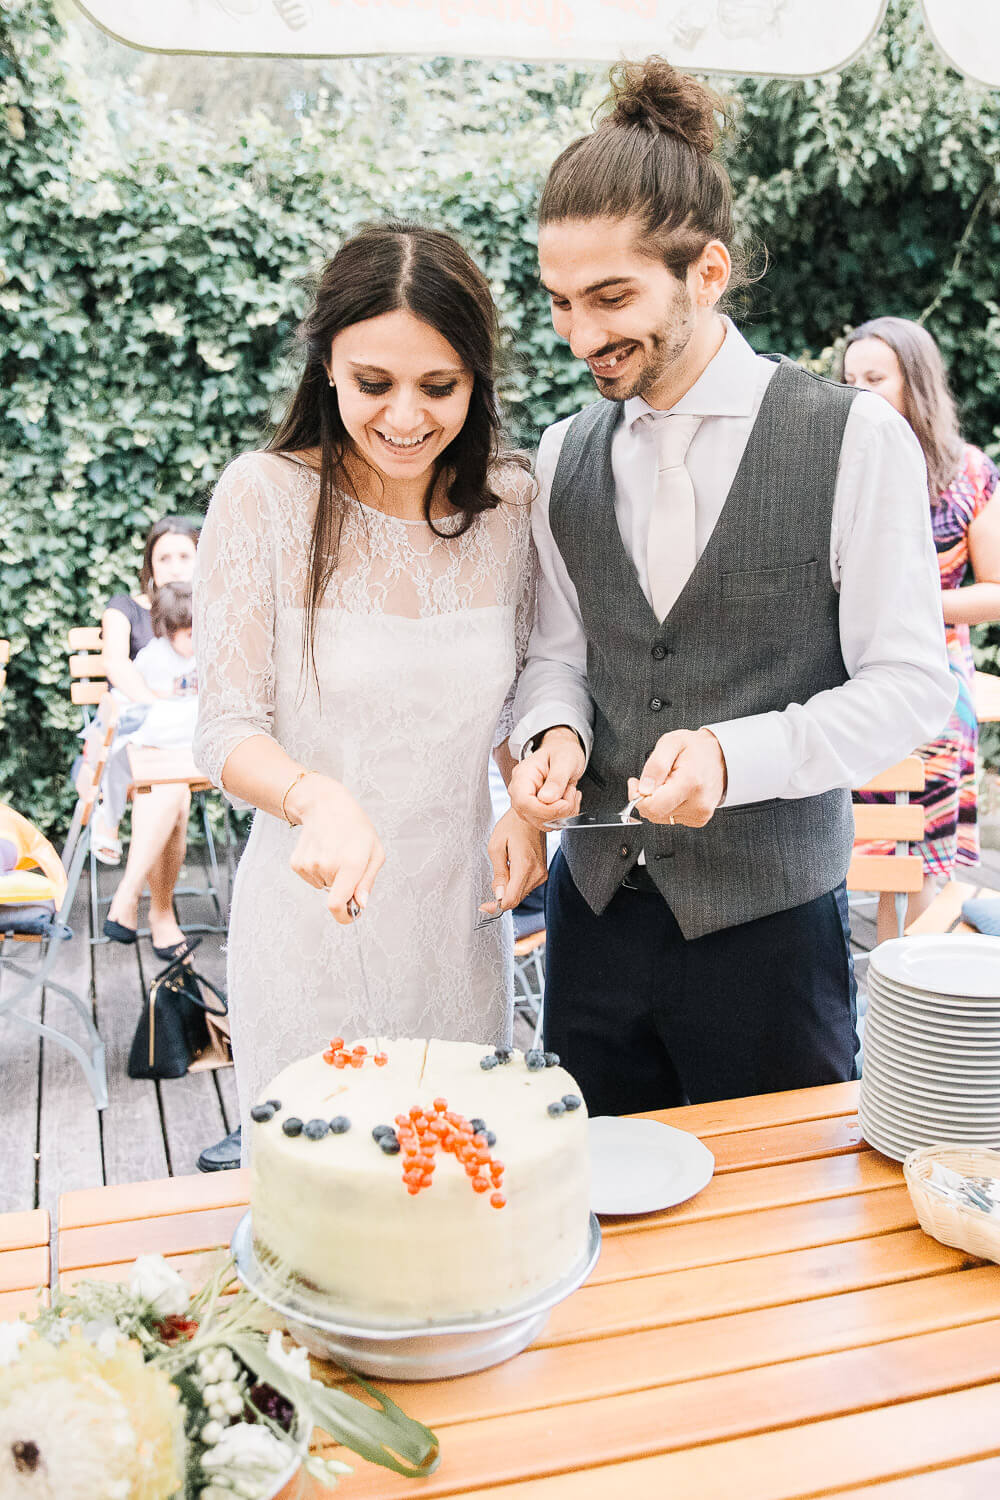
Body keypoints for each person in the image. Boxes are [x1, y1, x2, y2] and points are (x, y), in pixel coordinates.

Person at [496, 57, 956, 1119]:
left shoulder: (852, 438)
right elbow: (559, 658)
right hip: (593, 923)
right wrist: (551, 739)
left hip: (770, 939)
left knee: (788, 1247)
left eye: (612, 297)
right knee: (597, 1225)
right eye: (560, 301)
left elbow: (906, 686)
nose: (582, 335)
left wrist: (729, 756)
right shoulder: (564, 451)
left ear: (706, 272)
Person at [192, 222, 544, 1170]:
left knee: (458, 1193)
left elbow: (518, 694)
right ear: (327, 370)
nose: (404, 418)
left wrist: (526, 801)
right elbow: (223, 728)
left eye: (440, 386)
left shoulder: (513, 505)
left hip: (460, 923)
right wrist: (316, 796)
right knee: (323, 1200)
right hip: (310, 926)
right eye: (372, 384)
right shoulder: (262, 498)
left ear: (477, 378)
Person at [843, 317, 1000, 941]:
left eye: (876, 379)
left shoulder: (967, 472)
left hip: (934, 674)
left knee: (916, 863)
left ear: (918, 383)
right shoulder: (841, 466)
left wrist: (908, 601)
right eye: (850, 380)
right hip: (850, 671)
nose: (859, 392)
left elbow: (994, 595)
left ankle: (906, 987)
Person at [99, 521, 200, 959]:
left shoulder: (213, 607)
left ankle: (128, 896)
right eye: (165, 558)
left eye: (184, 556)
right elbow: (118, 667)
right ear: (150, 566)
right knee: (173, 791)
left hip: (190, 742)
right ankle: (159, 914)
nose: (175, 566)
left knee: (172, 783)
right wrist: (160, 709)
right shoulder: (125, 608)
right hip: (141, 743)